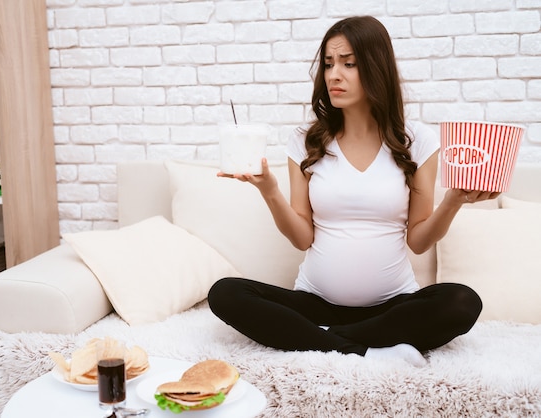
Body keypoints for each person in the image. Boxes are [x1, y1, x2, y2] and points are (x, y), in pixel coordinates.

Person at [207, 16, 499, 367]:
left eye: (348, 63)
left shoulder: (417, 140)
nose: (333, 75)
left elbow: (419, 241)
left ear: (376, 67)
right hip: (314, 302)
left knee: (463, 302)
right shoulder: (306, 141)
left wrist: (453, 201)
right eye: (329, 64)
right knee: (225, 294)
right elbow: (302, 238)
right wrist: (269, 190)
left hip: (392, 306)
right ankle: (367, 351)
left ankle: (318, 338)